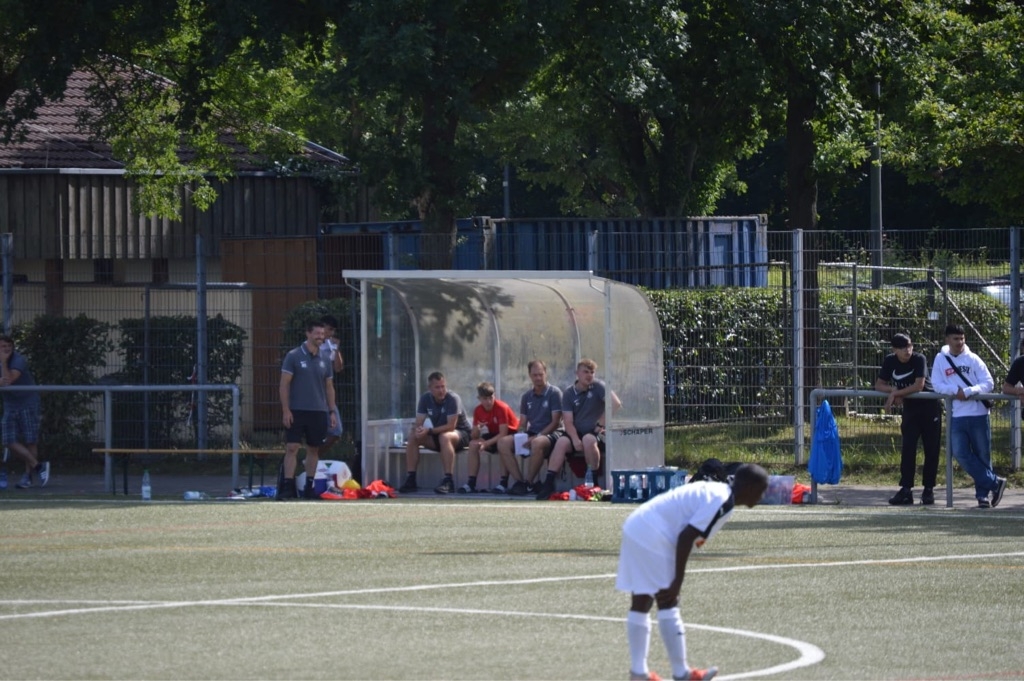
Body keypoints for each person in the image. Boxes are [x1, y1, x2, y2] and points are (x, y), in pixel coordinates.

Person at [616, 463, 769, 681]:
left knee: (643, 598)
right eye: (762, 490)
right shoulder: (722, 500)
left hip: (639, 525)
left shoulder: (720, 494)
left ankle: (639, 673)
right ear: (750, 487)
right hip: (652, 532)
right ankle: (682, 674)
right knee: (668, 599)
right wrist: (677, 581)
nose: (762, 496)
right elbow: (686, 537)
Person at [930, 324, 1007, 508]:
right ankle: (995, 483)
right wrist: (954, 390)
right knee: (960, 453)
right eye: (955, 339)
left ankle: (983, 496)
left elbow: (988, 383)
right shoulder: (941, 359)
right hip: (956, 415)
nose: (960, 342)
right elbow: (936, 384)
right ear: (947, 340)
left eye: (962, 338)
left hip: (979, 414)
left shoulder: (973, 358)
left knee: (983, 455)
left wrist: (969, 391)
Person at [535, 358, 621, 500]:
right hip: (575, 432)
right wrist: (575, 439)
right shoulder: (569, 393)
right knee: (561, 442)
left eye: (592, 372)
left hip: (595, 433)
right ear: (577, 373)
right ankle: (548, 484)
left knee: (588, 440)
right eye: (585, 372)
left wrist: (600, 424)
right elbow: (568, 421)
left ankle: (593, 483)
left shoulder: (598, 386)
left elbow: (615, 403)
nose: (589, 375)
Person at [875, 333, 942, 505]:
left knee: (931, 450)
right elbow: (879, 384)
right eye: (903, 347)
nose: (908, 350)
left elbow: (919, 385)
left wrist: (897, 393)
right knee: (908, 449)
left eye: (910, 346)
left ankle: (928, 490)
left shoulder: (919, 359)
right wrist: (893, 391)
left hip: (929, 408)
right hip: (911, 410)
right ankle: (906, 490)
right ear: (894, 349)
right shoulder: (890, 361)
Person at [278, 320, 337, 500]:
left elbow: (329, 387)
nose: (321, 337)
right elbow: (284, 384)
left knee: (313, 449)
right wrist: (286, 410)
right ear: (308, 334)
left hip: (318, 411)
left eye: (322, 334)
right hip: (296, 410)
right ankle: (288, 487)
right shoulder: (294, 356)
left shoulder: (325, 358)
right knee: (292, 447)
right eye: (317, 333)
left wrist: (332, 411)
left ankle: (309, 487)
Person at [398, 371, 472, 494]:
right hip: (439, 435)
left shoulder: (453, 399)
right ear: (430, 388)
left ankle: (448, 481)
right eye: (437, 387)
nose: (441, 390)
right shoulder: (425, 398)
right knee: (413, 436)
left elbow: (451, 426)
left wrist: (429, 431)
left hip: (461, 434)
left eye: (443, 386)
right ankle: (411, 479)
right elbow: (419, 422)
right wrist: (419, 430)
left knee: (445, 437)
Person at [497, 359, 563, 496]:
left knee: (537, 442)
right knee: (503, 442)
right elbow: (523, 423)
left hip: (552, 433)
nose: (538, 378)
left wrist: (536, 437)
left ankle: (528, 482)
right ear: (530, 375)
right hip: (533, 433)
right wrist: (521, 436)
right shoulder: (526, 397)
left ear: (546, 373)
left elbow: (555, 422)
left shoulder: (554, 393)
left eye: (541, 374)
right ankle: (520, 482)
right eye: (535, 375)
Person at [0, 335, 50, 489]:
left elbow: (8, 380)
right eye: (3, 346)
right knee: (8, 439)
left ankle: (28, 477)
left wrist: (3, 362)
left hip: (28, 402)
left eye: (9, 346)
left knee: (30, 440)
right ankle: (38, 466)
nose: (6, 349)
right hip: (10, 404)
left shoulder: (18, 360)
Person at [459, 382, 520, 493]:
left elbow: (503, 433)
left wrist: (486, 444)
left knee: (502, 443)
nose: (488, 402)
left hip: (511, 435)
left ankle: (503, 483)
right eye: (485, 399)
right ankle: (471, 483)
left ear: (494, 396)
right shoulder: (478, 410)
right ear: (479, 398)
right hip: (495, 434)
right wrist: (477, 429)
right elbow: (474, 436)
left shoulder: (501, 407)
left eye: (490, 398)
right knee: (473, 444)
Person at [319, 314, 345, 453]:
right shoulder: (313, 345)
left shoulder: (331, 345)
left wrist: (336, 349)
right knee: (314, 432)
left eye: (333, 330)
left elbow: (338, 368)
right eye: (329, 329)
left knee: (336, 431)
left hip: (327, 393)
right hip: (313, 393)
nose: (331, 333)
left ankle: (312, 458)